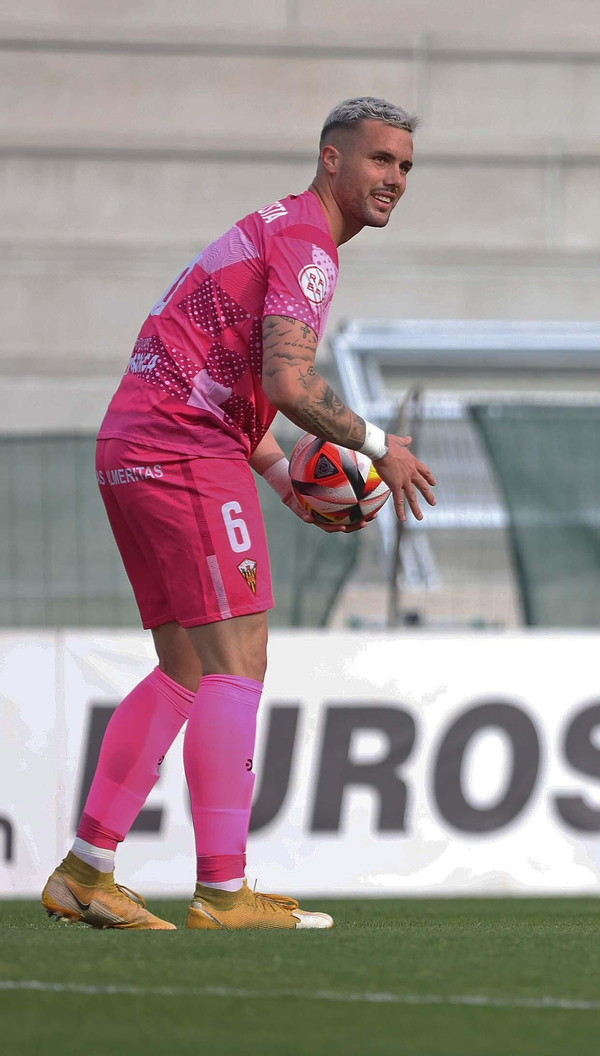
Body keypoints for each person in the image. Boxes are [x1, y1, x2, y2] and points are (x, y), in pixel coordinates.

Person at [40, 97, 437, 930]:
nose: (395, 178)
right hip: (183, 449)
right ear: (332, 159)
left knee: (187, 667)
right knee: (239, 660)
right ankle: (224, 892)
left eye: (405, 164)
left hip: (140, 442)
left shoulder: (275, 228)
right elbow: (290, 383)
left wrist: (281, 477)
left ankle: (87, 870)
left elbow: (225, 374)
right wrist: (378, 446)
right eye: (379, 160)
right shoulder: (308, 245)